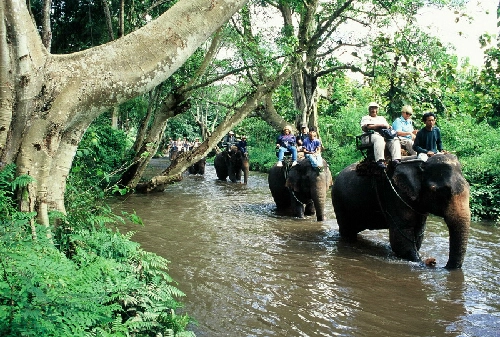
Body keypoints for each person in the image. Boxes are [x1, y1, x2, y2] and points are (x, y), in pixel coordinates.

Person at [360, 101, 401, 168]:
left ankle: (396, 159)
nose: (373, 110)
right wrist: (380, 125)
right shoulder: (366, 118)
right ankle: (380, 160)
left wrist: (387, 127)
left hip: (383, 135)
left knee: (394, 139)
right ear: (369, 109)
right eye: (372, 108)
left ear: (377, 109)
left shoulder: (381, 118)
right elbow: (367, 127)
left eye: (375, 108)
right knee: (379, 139)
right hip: (369, 137)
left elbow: (388, 127)